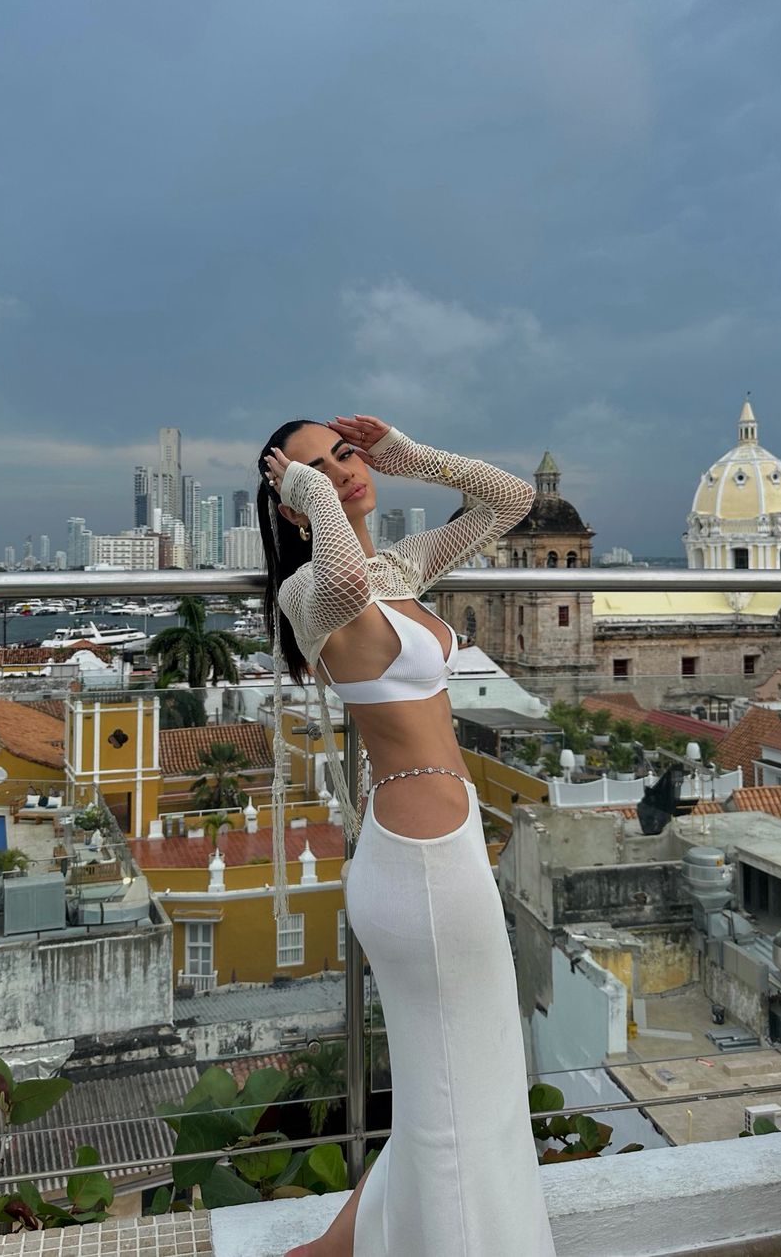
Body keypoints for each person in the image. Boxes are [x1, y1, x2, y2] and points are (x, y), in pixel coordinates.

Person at [259, 414, 554, 1257]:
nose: (343, 472)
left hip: (445, 845)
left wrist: (409, 455)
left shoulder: (397, 567)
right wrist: (310, 491)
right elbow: (344, 585)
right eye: (317, 467)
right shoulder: (307, 591)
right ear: (288, 500)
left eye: (345, 455)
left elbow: (510, 502)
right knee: (465, 1091)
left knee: (467, 1081)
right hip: (419, 867)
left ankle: (337, 1245)